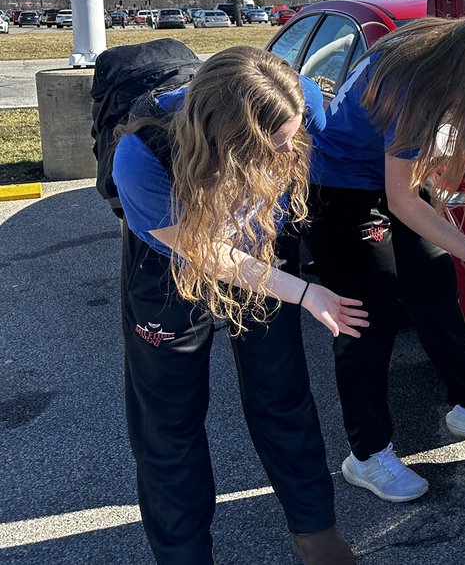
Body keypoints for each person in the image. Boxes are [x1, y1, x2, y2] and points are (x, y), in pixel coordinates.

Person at [113, 46, 367, 565]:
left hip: (262, 249)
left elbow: (357, 137)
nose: (284, 155)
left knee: (284, 391)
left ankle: (314, 530)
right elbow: (208, 253)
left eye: (290, 140)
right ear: (223, 141)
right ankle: (184, 556)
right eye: (268, 148)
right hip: (172, 266)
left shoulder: (294, 99)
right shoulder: (142, 157)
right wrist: (303, 291)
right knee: (170, 422)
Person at [306, 3, 465, 504]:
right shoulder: (414, 85)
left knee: (435, 288)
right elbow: (399, 199)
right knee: (367, 318)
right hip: (342, 188)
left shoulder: (443, 47)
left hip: (395, 179)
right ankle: (366, 456)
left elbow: (417, 173)